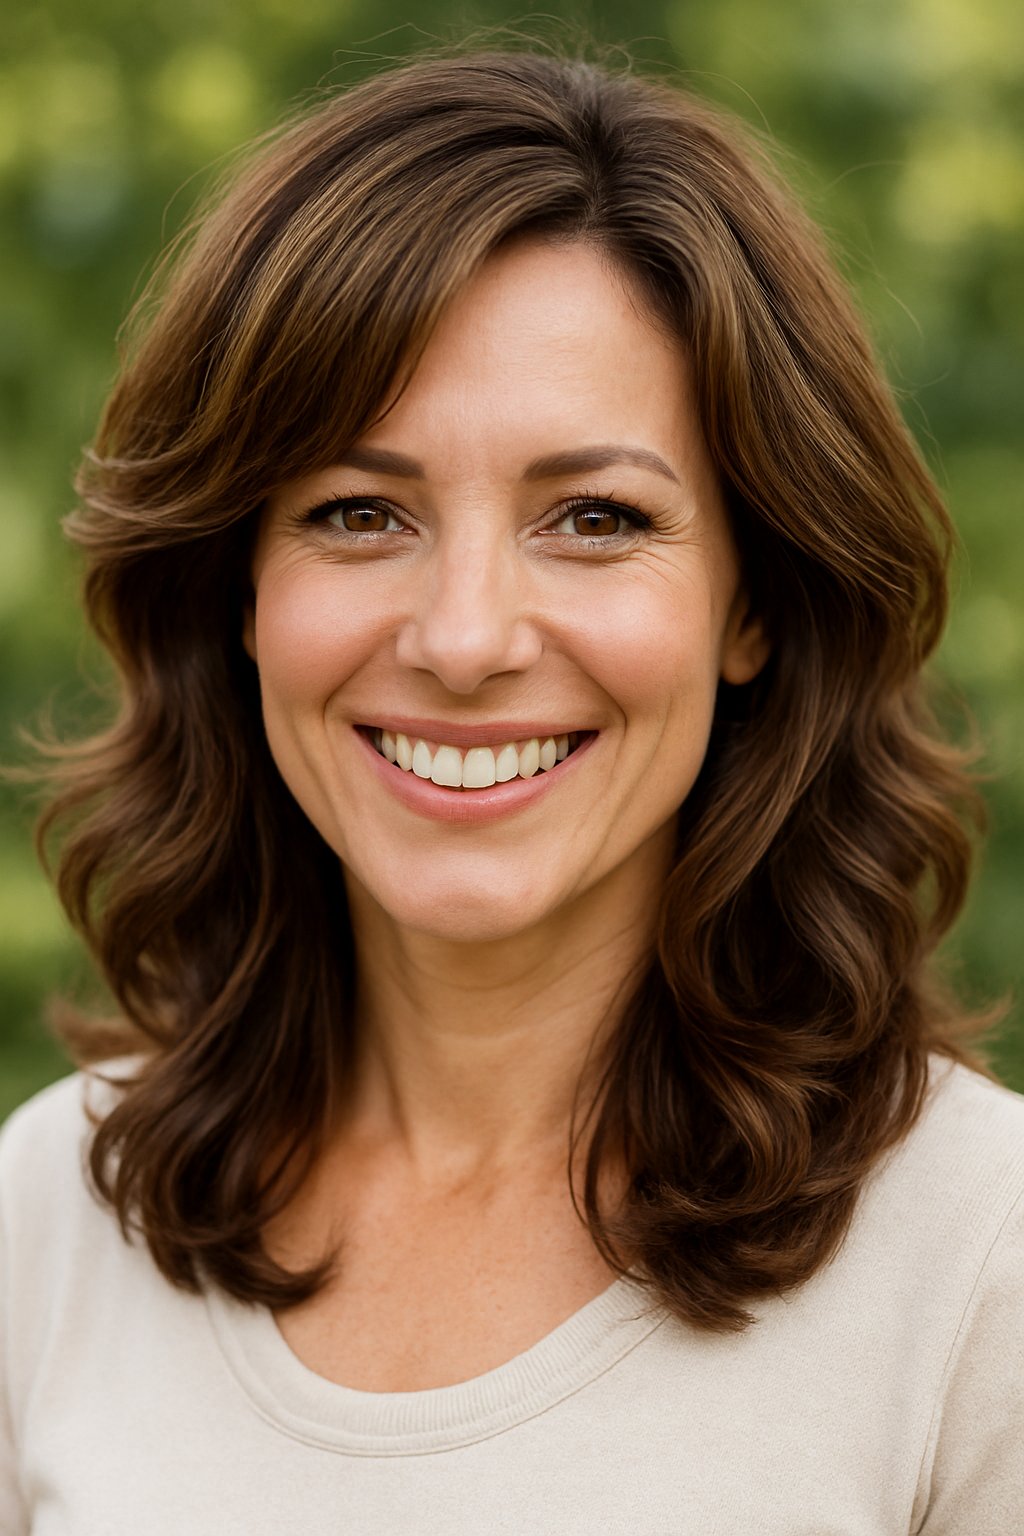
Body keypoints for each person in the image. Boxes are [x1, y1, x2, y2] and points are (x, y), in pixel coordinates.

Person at [1, 45, 1021, 1534]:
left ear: (756, 605)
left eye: (595, 519)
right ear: (235, 589)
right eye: (358, 513)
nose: (465, 638)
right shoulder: (51, 1219)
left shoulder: (980, 1263)